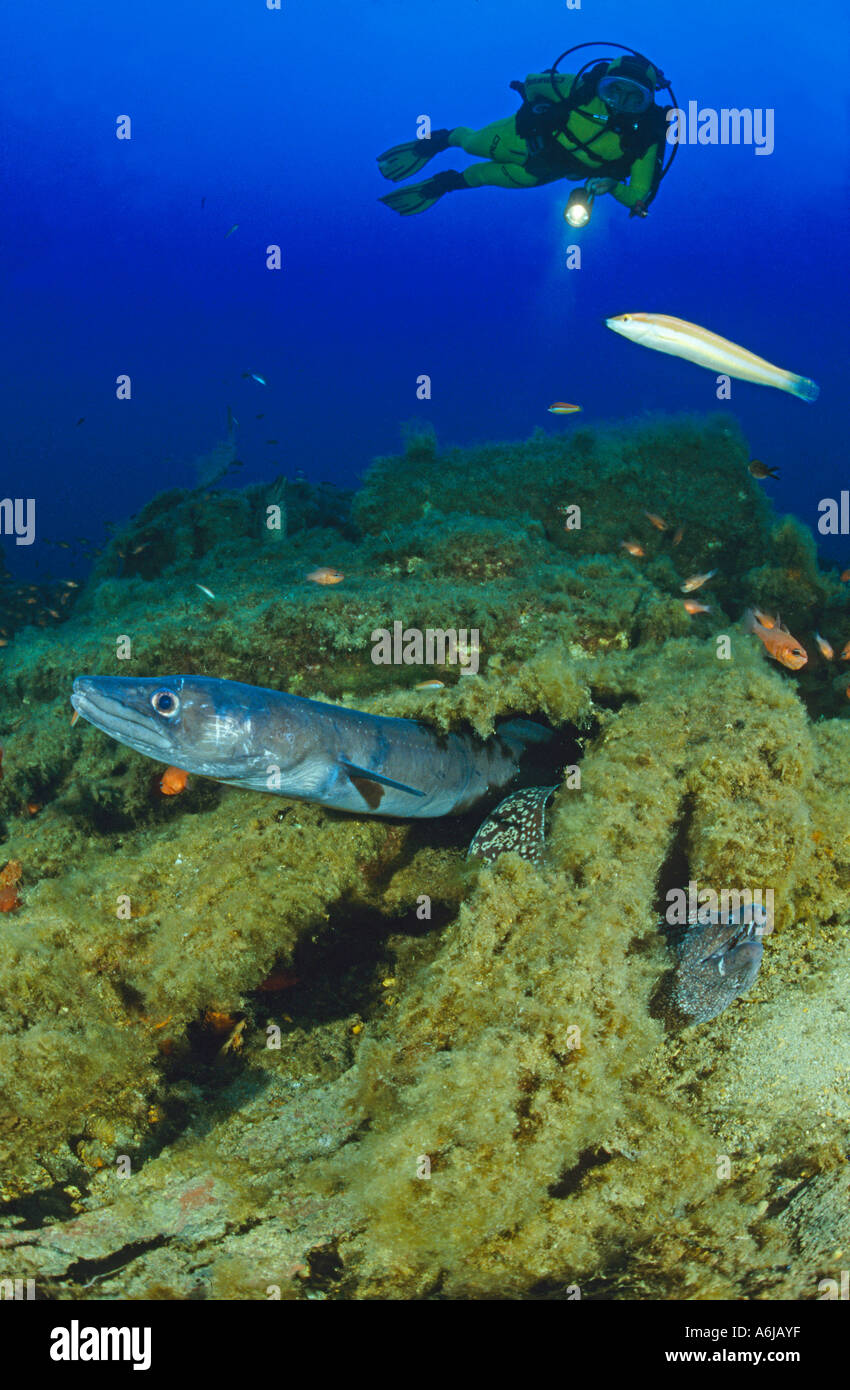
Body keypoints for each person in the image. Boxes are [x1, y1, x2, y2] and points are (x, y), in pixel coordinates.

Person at [378, 54, 670, 218]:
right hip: (517, 138)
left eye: (635, 98)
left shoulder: (645, 135)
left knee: (481, 177)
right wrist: (535, 110)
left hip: (542, 171)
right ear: (602, 84)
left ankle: (443, 184)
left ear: (648, 101)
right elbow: (533, 82)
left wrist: (611, 186)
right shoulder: (578, 88)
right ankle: (441, 139)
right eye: (613, 89)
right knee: (472, 144)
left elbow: (637, 196)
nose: (620, 102)